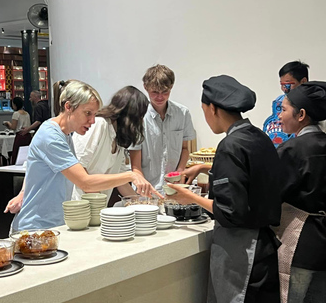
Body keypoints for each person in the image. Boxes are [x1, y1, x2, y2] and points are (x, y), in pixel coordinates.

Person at [168, 75, 282, 303]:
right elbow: (249, 178)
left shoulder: (229, 145)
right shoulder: (258, 136)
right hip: (265, 249)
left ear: (212, 108)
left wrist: (187, 196)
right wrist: (203, 166)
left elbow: (230, 212)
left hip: (242, 252)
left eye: (203, 110)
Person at [5, 80, 158, 231]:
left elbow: (36, 173)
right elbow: (85, 182)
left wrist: (142, 201)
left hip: (57, 224)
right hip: (36, 228)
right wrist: (131, 176)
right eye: (87, 113)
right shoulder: (51, 136)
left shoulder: (65, 136)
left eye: (94, 114)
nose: (92, 120)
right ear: (69, 107)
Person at [274, 82, 326, 303]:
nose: (279, 117)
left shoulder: (292, 150)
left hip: (300, 244)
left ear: (301, 114)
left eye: (284, 110)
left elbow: (271, 194)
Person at [72, 86, 161, 202]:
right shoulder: (99, 124)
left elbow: (121, 180)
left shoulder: (118, 136)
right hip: (78, 204)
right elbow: (78, 168)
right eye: (140, 116)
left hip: (97, 206)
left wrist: (141, 202)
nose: (141, 122)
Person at [129, 64, 196, 192]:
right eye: (155, 92)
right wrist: (143, 188)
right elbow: (135, 166)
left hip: (174, 187)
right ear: (146, 88)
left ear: (171, 88)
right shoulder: (138, 117)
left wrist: (180, 172)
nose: (160, 97)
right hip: (146, 189)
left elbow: (185, 148)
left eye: (165, 92)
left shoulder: (182, 113)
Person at [263, 61, 309, 147]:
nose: (285, 89)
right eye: (282, 85)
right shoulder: (279, 101)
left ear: (303, 81)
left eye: (288, 84)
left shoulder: (312, 101)